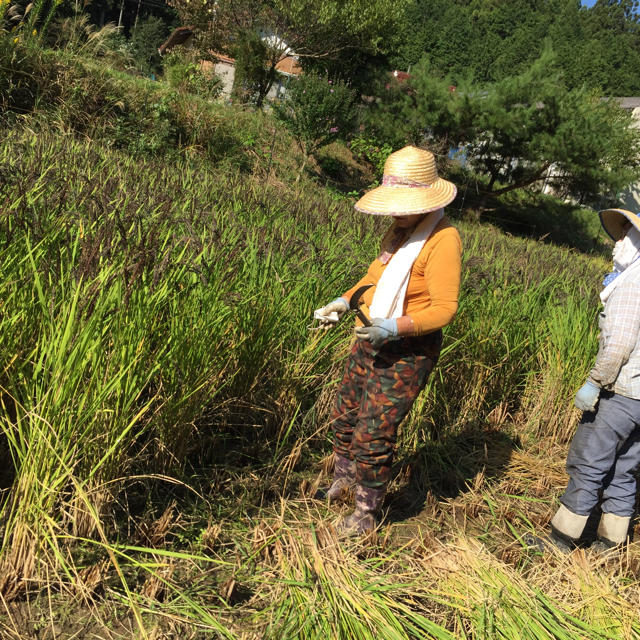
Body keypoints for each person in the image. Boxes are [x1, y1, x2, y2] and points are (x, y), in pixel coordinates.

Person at [315, 145, 462, 535]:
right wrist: (343, 302)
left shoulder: (442, 240)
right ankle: (343, 480)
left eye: (403, 203)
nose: (395, 211)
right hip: (370, 333)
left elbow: (445, 308)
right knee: (345, 412)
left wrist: (395, 327)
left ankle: (366, 511)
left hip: (408, 349)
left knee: (374, 430)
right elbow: (374, 280)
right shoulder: (399, 231)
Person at [537, 208, 640, 552]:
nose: (616, 244)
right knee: (624, 469)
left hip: (622, 394)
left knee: (588, 463)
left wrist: (596, 382)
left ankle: (561, 540)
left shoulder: (633, 284)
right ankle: (610, 545)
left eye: (624, 236)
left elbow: (620, 343)